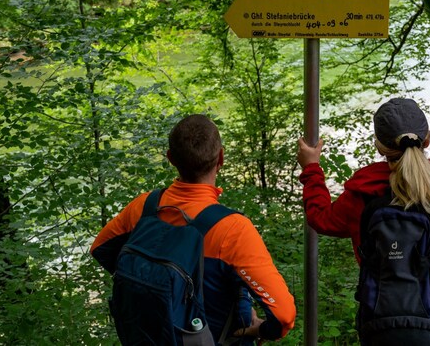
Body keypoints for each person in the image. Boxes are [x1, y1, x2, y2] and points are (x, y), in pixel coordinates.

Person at [297, 98, 430, 346]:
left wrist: (312, 168)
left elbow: (321, 219)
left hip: (384, 332)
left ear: (379, 146)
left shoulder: (362, 197)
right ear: (427, 139)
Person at [91, 114, 296, 345]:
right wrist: (258, 330)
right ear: (221, 157)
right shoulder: (232, 229)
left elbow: (100, 248)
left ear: (170, 158)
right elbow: (284, 316)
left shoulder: (144, 207)